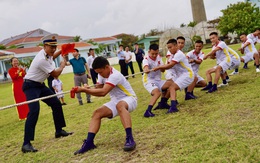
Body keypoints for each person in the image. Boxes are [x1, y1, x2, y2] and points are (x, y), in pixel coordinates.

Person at [70, 56, 137, 155]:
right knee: (97, 113)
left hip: (130, 98)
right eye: (97, 73)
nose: (99, 74)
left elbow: (103, 92)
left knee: (120, 106)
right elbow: (98, 87)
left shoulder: (115, 75)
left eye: (100, 72)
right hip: (116, 100)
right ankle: (89, 143)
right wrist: (88, 87)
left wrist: (85, 90)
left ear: (107, 67)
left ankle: (130, 139)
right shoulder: (102, 74)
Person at [21, 34, 73, 153]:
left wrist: (61, 50)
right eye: (51, 47)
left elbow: (53, 56)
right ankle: (26, 144)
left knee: (56, 104)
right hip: (30, 86)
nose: (53, 49)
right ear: (45, 46)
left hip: (39, 85)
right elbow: (55, 74)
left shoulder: (47, 54)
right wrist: (62, 65)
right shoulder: (41, 60)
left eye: (55, 47)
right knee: (34, 111)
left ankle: (59, 130)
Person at [153, 39, 194, 113]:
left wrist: (158, 67)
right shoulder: (172, 55)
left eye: (170, 47)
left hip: (188, 75)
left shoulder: (179, 54)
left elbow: (170, 65)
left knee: (172, 87)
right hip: (180, 75)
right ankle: (165, 103)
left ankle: (173, 107)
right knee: (171, 86)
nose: (169, 49)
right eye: (168, 48)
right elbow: (168, 64)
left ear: (176, 46)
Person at [142, 44, 172, 117]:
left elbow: (162, 70)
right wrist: (147, 70)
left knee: (173, 84)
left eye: (156, 53)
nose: (155, 55)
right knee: (157, 93)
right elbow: (145, 68)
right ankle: (148, 111)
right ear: (149, 51)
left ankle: (163, 103)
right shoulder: (146, 59)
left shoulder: (159, 57)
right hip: (149, 81)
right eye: (153, 54)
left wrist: (159, 67)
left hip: (158, 80)